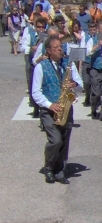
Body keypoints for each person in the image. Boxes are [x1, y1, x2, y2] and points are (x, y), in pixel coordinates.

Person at [32, 36, 83, 184]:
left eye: (60, 47)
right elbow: (36, 92)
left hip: (66, 108)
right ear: (48, 51)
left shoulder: (68, 65)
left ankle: (60, 171)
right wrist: (49, 105)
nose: (60, 49)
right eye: (56, 48)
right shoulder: (41, 67)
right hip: (49, 110)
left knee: (65, 140)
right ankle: (49, 167)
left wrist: (75, 84)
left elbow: (80, 84)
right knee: (55, 141)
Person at [89, 21, 102, 120]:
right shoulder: (93, 39)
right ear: (98, 30)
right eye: (101, 30)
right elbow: (88, 52)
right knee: (96, 93)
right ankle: (93, 108)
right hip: (96, 68)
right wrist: (98, 45)